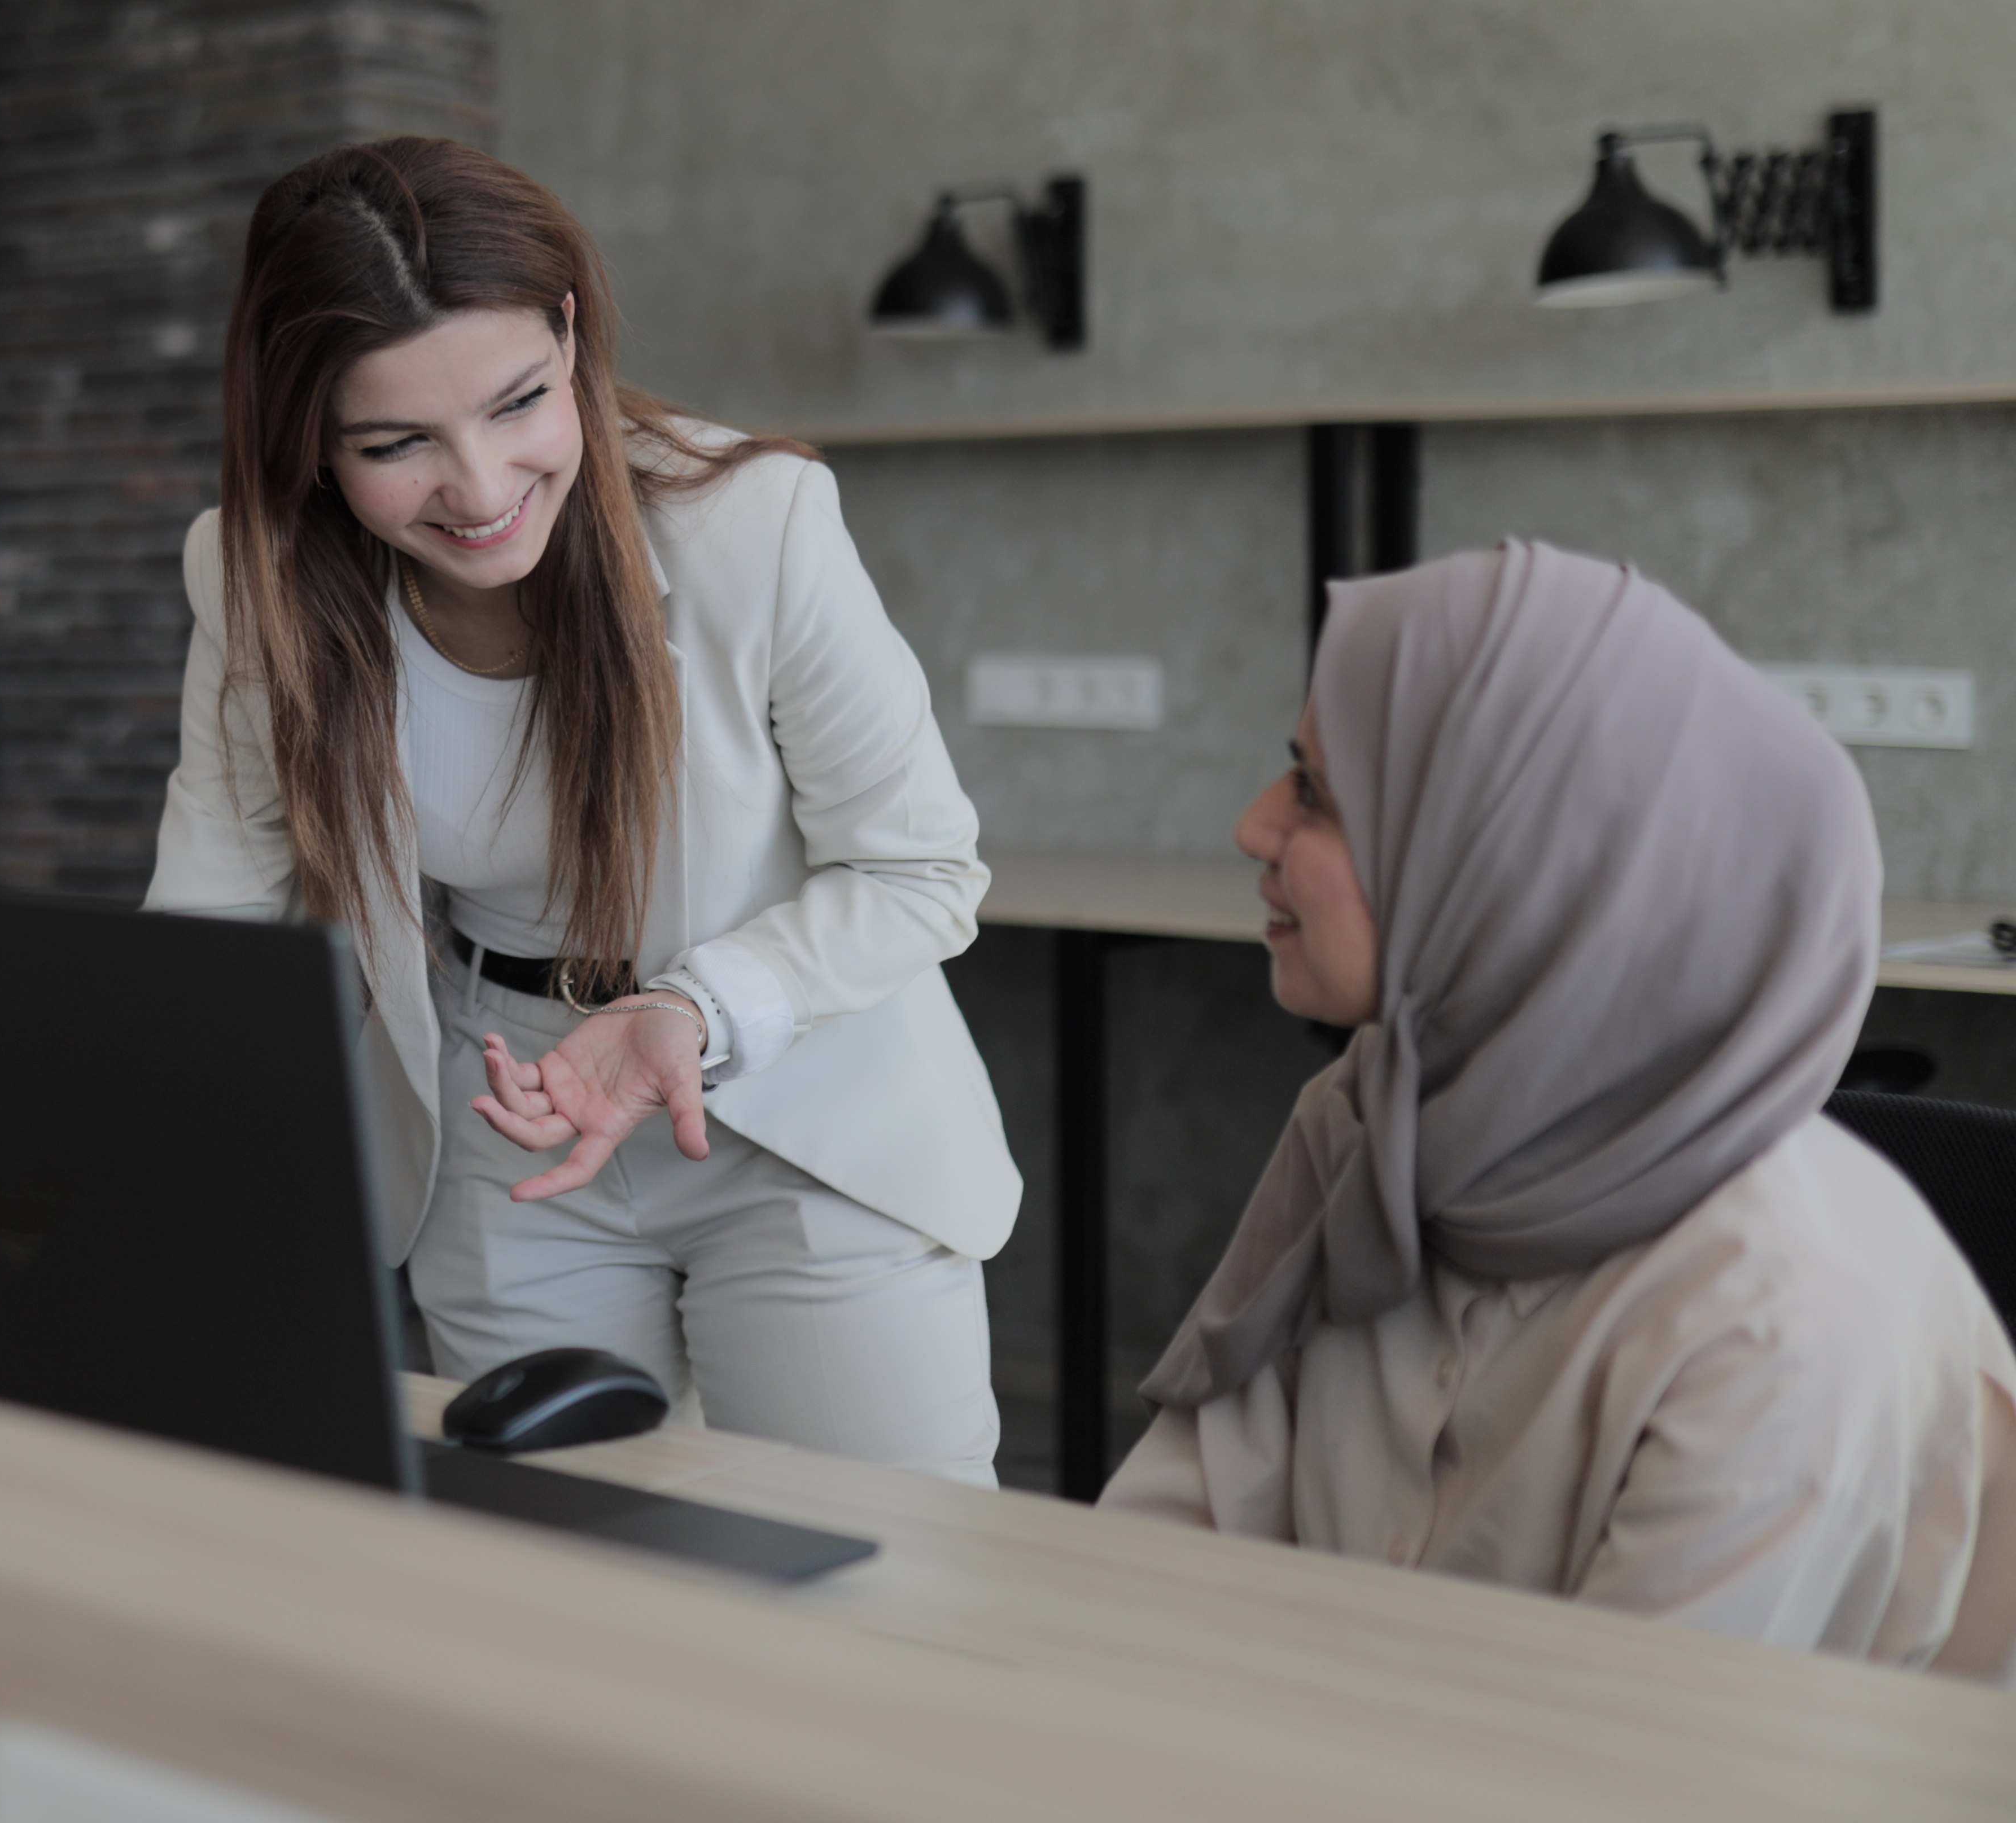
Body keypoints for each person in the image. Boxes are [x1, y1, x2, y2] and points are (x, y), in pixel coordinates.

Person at [147, 137, 1017, 1478]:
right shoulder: (253, 572)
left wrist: (694, 1009)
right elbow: (209, 919)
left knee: (888, 1591)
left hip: (796, 1103)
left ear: (570, 337)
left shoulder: (754, 524)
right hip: (503, 1123)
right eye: (396, 445)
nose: (482, 491)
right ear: (305, 440)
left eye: (516, 405)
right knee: (557, 1587)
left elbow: (921, 872)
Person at [1102, 540, 2016, 1673]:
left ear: (1519, 864)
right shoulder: (1374, 1113)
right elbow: (1160, 1554)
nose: (1252, 824)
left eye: (1318, 795)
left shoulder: (1779, 1308)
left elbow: (1627, 1767)